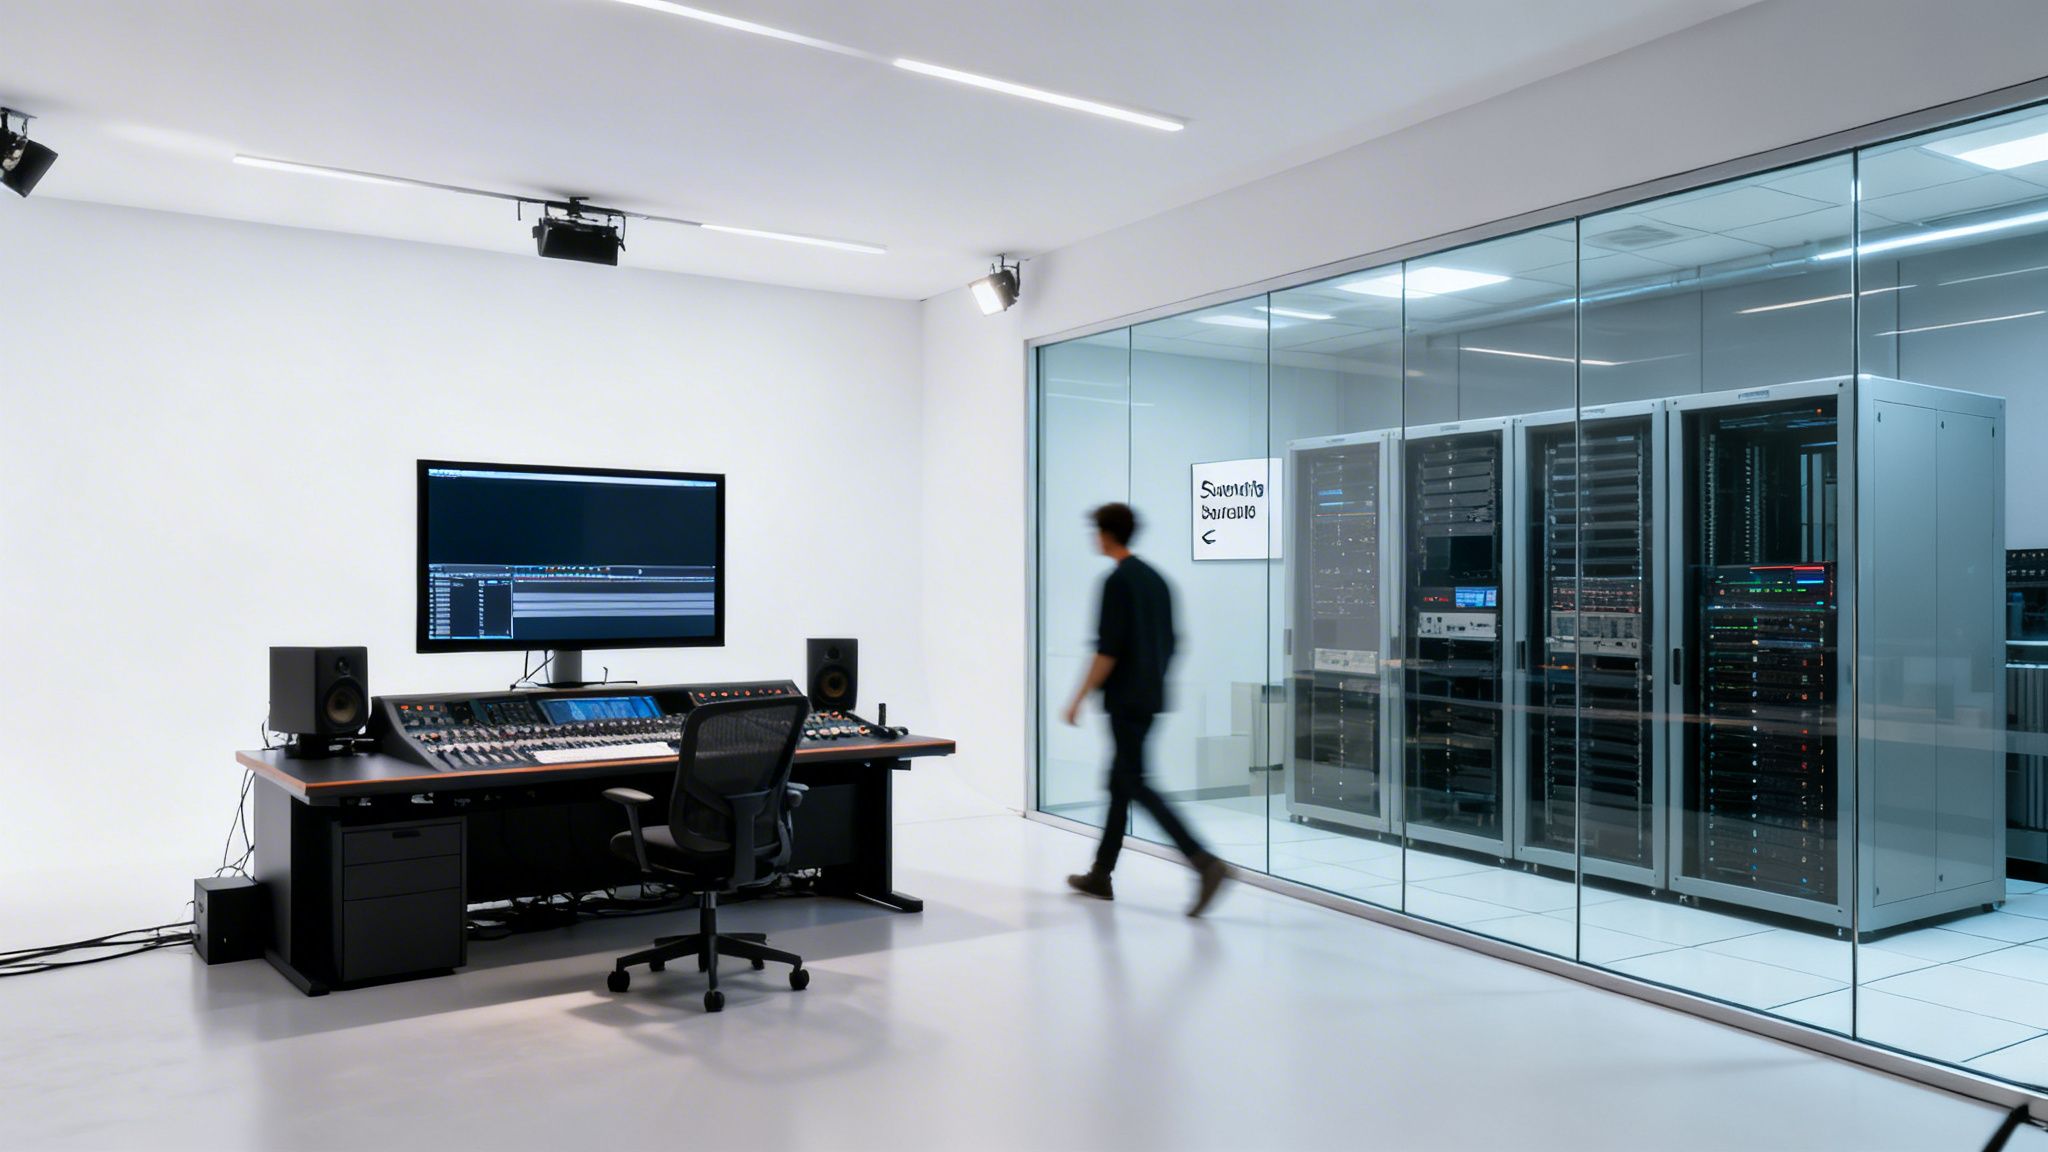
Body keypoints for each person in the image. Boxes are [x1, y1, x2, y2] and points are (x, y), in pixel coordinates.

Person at [1064, 502, 1230, 916]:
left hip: (1125, 699)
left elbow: (1107, 651)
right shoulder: (1158, 580)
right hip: (1150, 697)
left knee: (1133, 782)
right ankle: (1101, 873)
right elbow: (1174, 642)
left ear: (1105, 534)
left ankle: (1203, 862)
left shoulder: (1117, 582)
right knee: (1121, 782)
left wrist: (1078, 697)